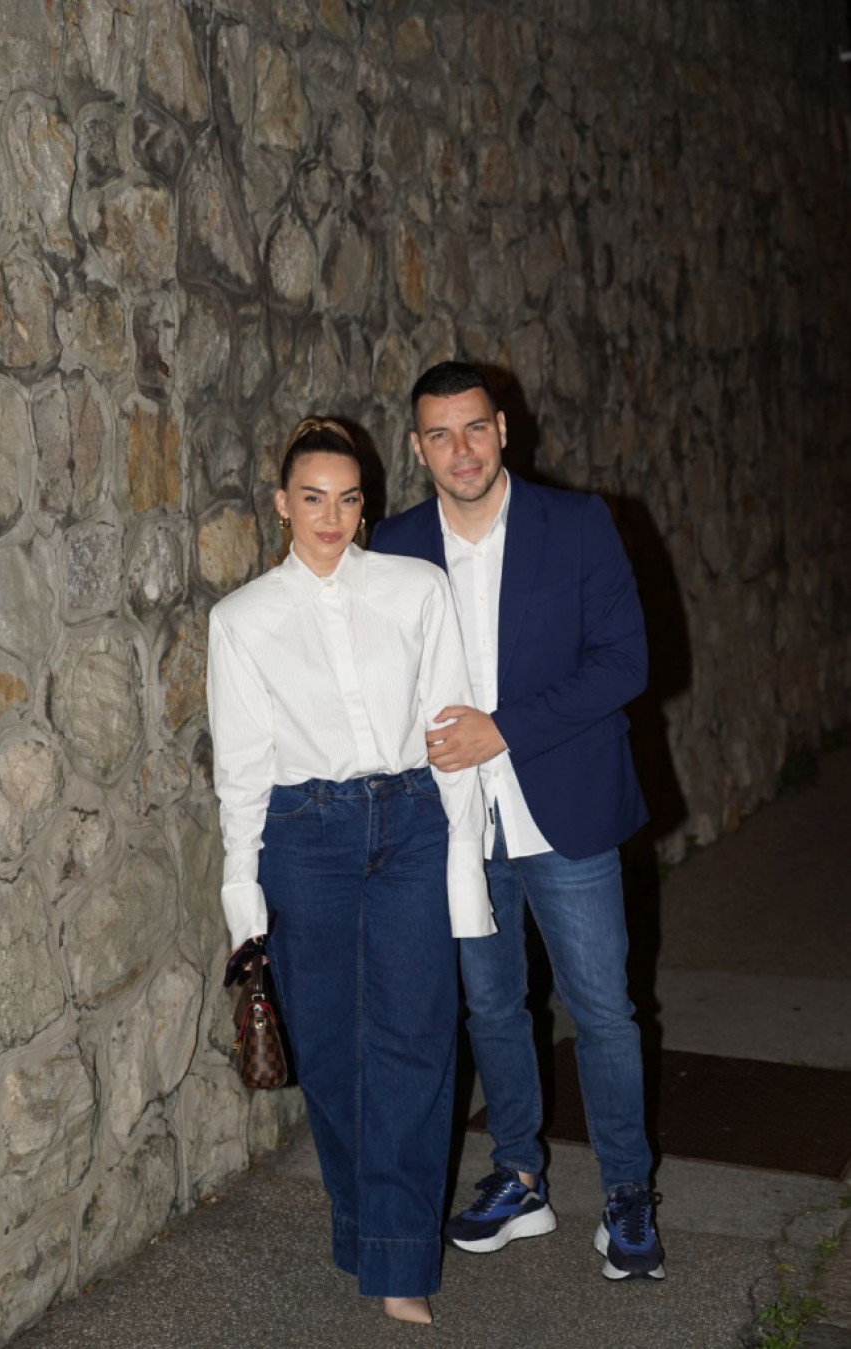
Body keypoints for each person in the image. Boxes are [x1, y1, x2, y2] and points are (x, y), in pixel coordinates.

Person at [370, 362, 664, 1281]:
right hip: (459, 823)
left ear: (503, 428)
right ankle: (520, 1176)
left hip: (564, 808)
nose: (460, 449)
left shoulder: (576, 524)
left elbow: (624, 662)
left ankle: (627, 1194)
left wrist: (502, 728)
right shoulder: (395, 546)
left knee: (604, 1011)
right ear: (418, 448)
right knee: (491, 1005)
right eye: (440, 434)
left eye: (474, 428)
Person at [206, 416, 495, 1324]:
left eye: (348, 498)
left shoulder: (416, 589)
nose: (331, 517)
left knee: (416, 1039)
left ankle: (399, 1260)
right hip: (303, 835)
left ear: (365, 504)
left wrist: (463, 866)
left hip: (411, 822)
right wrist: (243, 899)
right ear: (282, 504)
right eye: (313, 498)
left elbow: (451, 729)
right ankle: (366, 1227)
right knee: (332, 1049)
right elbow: (241, 771)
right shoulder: (241, 620)